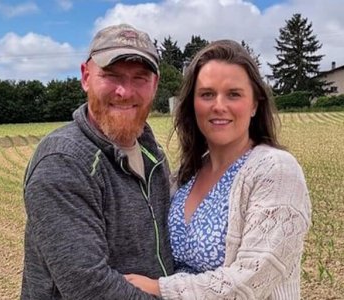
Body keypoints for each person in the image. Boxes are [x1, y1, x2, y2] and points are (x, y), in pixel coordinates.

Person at [125, 39, 312, 299]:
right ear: (192, 103)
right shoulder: (184, 176)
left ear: (255, 104)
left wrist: (160, 288)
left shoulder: (275, 171)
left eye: (233, 94)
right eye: (207, 94)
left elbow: (252, 279)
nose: (219, 105)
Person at [21, 23, 174, 299]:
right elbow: (91, 288)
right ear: (85, 76)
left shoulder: (153, 154)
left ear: (155, 85)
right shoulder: (63, 162)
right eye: (112, 76)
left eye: (140, 78)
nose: (125, 92)